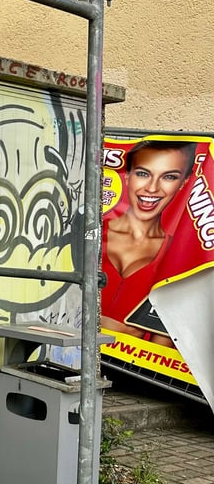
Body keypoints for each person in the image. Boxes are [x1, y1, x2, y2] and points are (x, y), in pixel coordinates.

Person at [101, 140, 195, 348]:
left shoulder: (179, 257)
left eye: (169, 177)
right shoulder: (90, 235)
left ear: (184, 183)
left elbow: (164, 343)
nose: (152, 188)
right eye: (143, 173)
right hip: (62, 355)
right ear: (127, 175)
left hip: (128, 366)